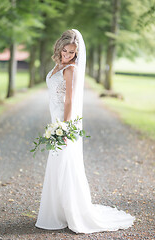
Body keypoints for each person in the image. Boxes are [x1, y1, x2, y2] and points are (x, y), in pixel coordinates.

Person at [35, 29, 136, 234]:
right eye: (65, 50)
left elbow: (70, 100)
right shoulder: (57, 66)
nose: (67, 55)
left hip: (63, 123)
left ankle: (72, 213)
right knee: (57, 164)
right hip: (55, 120)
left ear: (76, 53)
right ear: (59, 47)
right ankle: (58, 211)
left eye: (72, 52)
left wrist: (64, 127)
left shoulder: (70, 69)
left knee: (65, 164)